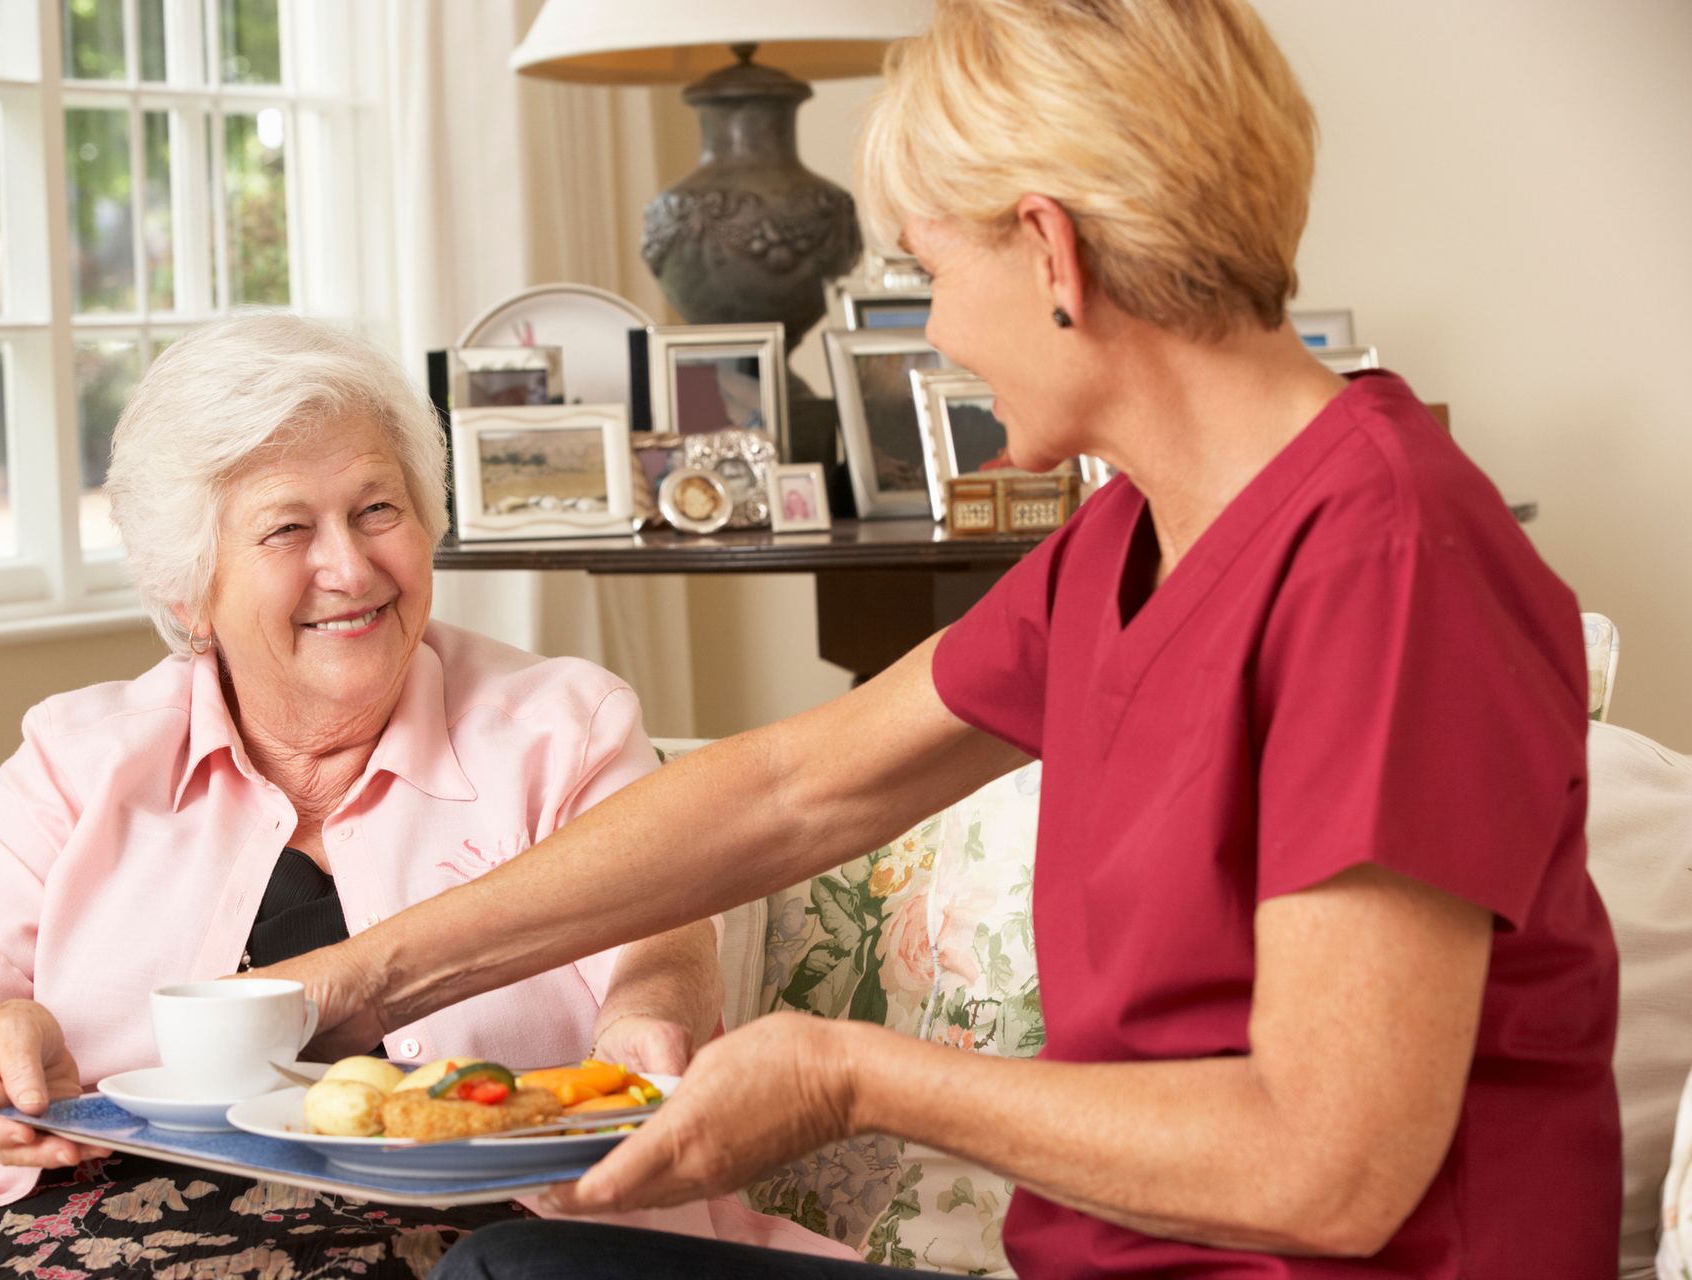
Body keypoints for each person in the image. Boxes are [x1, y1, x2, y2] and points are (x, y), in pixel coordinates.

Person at [275, 2, 1622, 1276]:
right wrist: (350, 984)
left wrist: (854, 1076)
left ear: (1051, 250)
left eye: (928, 270)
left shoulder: (1390, 557)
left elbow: (1332, 1168)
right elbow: (791, 786)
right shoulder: (1126, 542)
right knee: (522, 1266)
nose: (931, 330)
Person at [0, 314, 844, 1279]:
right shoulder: (80, 752)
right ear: (192, 593)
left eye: (378, 509)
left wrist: (649, 1022)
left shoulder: (558, 727)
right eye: (287, 528)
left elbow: (655, 937)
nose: (351, 567)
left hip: (468, 1225)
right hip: (80, 1222)